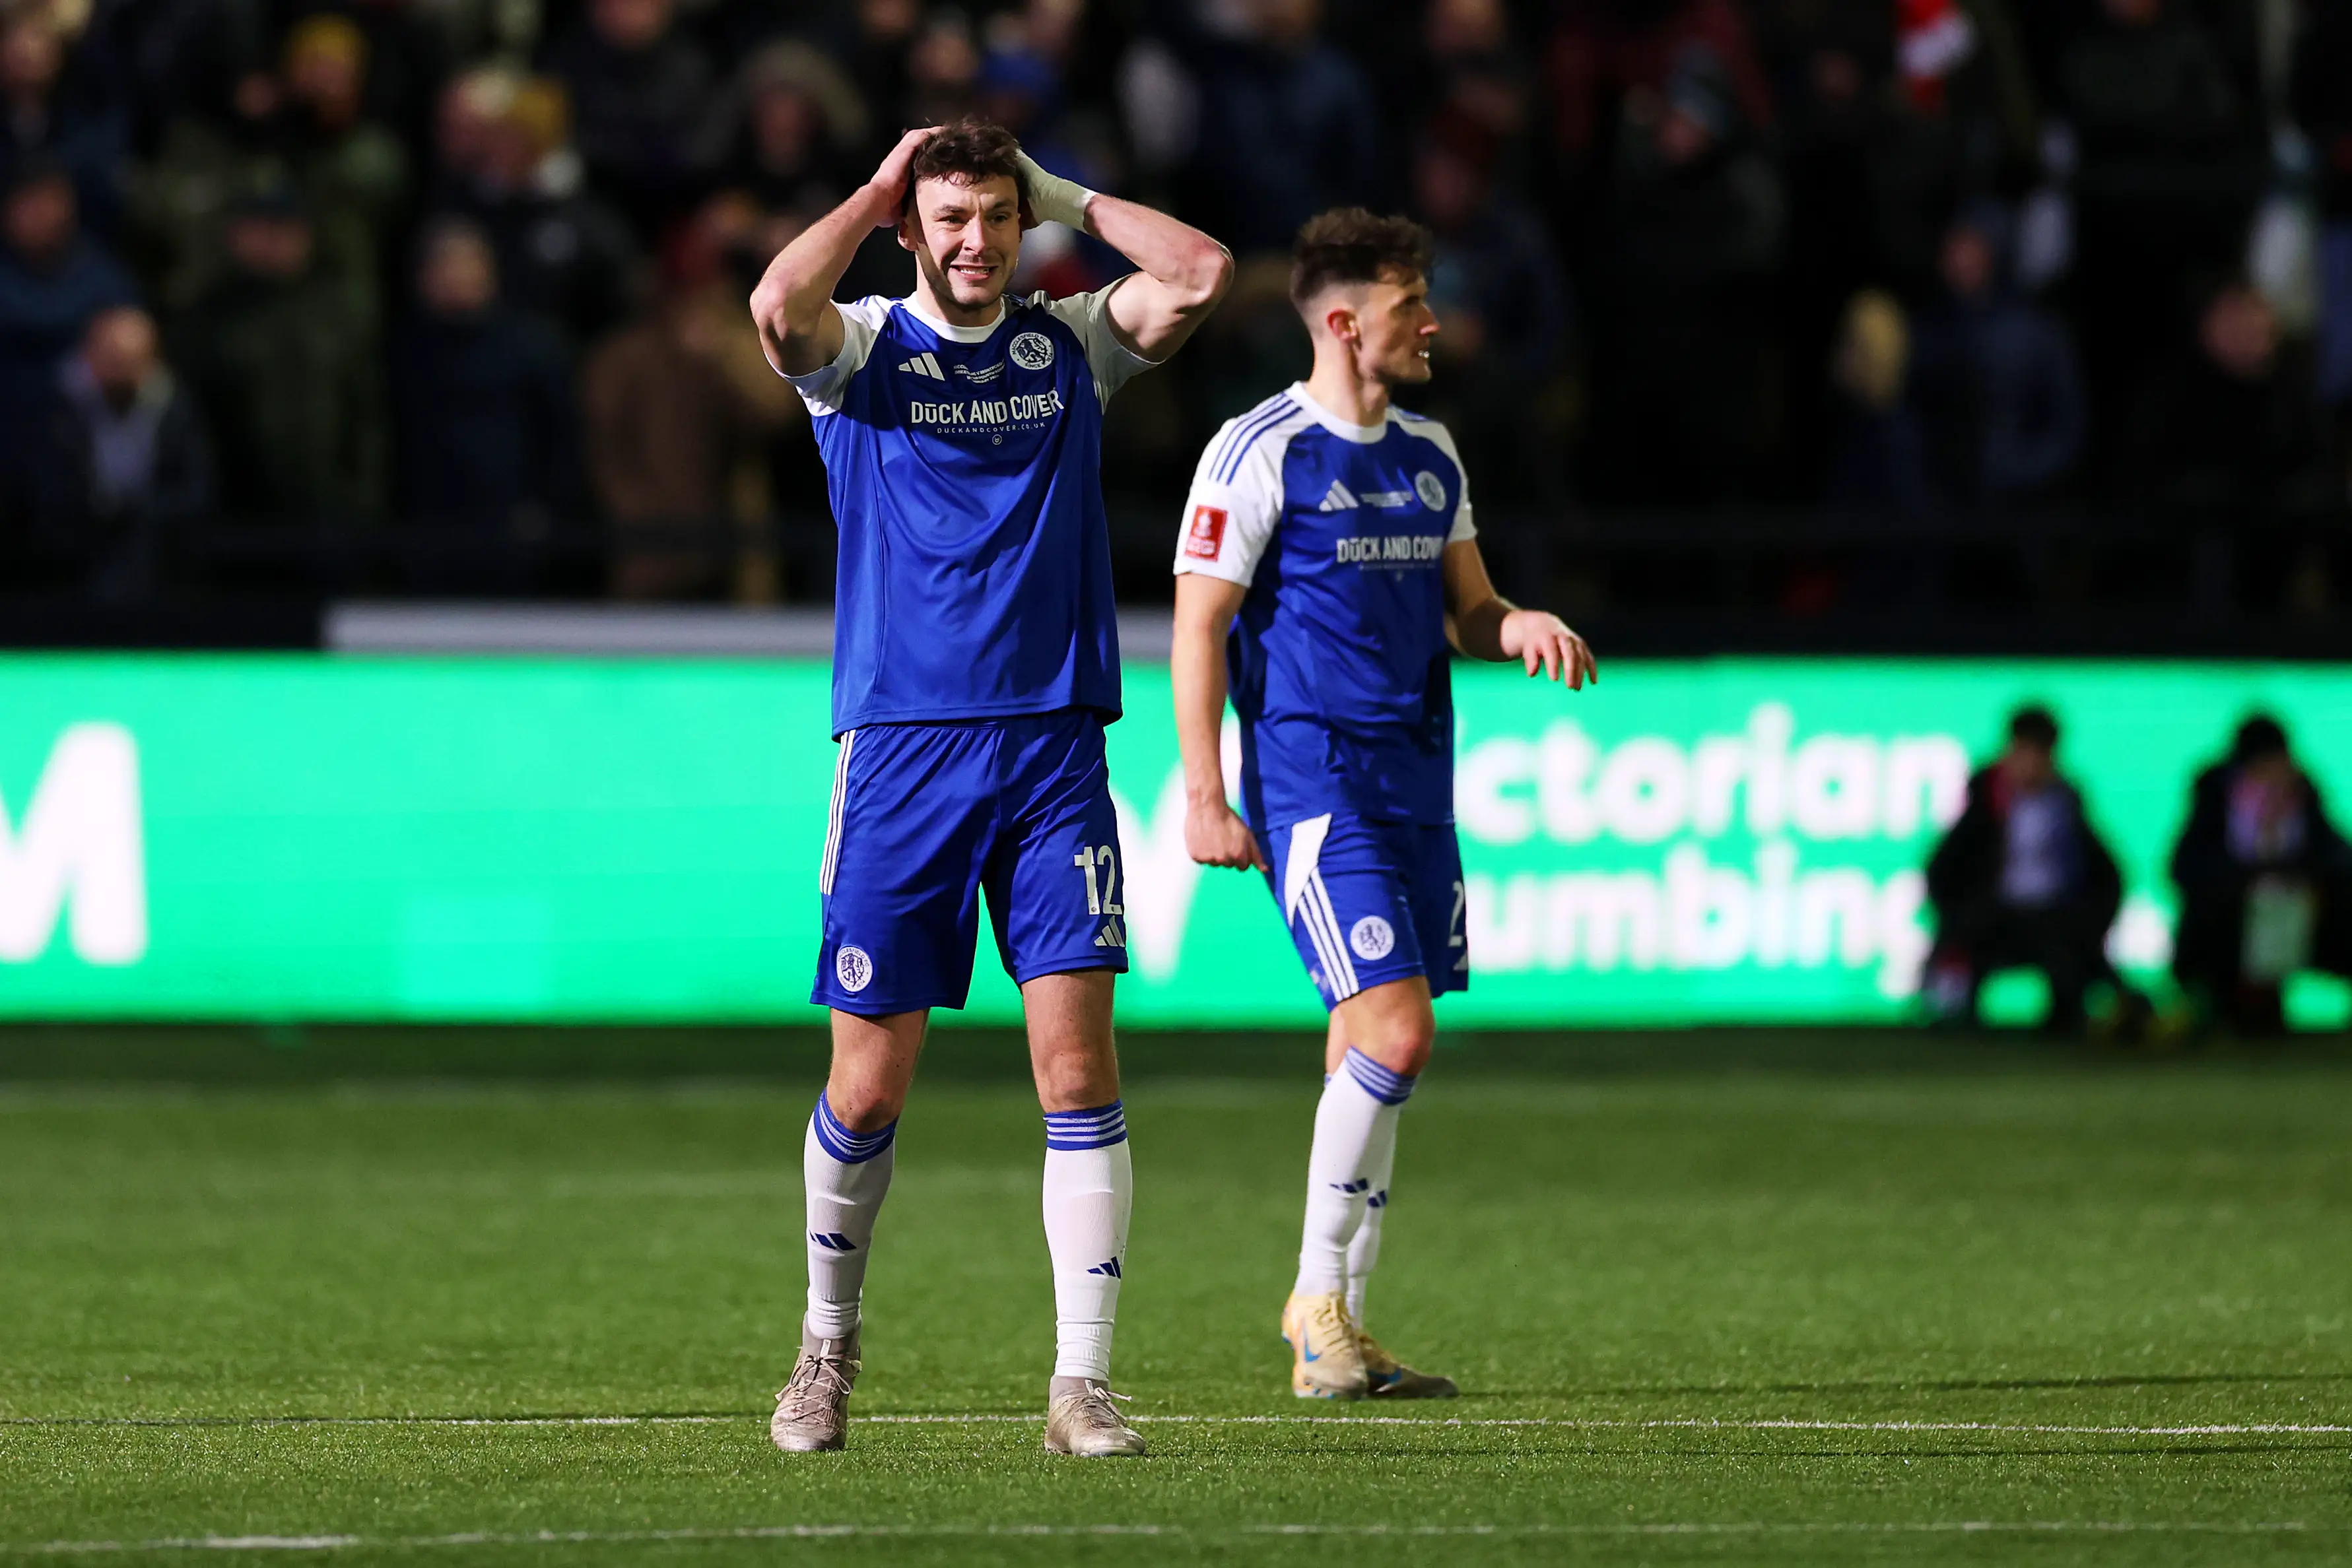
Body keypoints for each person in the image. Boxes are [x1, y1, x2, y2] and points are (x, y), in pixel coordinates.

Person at [747, 118, 1231, 1456]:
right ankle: (825, 1349)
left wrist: (1063, 192)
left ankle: (1081, 1385)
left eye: (997, 218)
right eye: (950, 219)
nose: (976, 243)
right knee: (867, 1087)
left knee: (1076, 1069)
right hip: (901, 754)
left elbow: (1197, 272)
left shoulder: (1067, 345)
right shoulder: (860, 353)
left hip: (1053, 754)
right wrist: (872, 190)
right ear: (912, 229)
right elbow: (774, 304)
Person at [1168, 207, 1596, 1402]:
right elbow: (1198, 625)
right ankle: (1314, 1302)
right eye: (1412, 305)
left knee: (1367, 1044)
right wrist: (1204, 793)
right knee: (1398, 1033)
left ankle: (1341, 1331)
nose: (1433, 324)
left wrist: (1516, 623)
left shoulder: (1429, 452)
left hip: (1415, 782)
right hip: (1313, 783)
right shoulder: (1257, 450)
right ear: (1346, 324)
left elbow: (1469, 609)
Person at [1922, 705, 2139, 1033]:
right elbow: (1942, 870)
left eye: (2041, 754)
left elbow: (2107, 874)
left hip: (2054, 918)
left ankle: (2072, 1022)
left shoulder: (2067, 804)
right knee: (1962, 948)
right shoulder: (1985, 803)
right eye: (2025, 751)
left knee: (2071, 954)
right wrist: (1957, 914)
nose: (2032, 763)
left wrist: (2095, 920)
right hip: (1992, 917)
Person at [2169, 716, 2352, 1035]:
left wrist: (2301, 883)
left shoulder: (2304, 796)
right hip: (2232, 924)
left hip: (2305, 915)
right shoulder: (2215, 800)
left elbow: (2335, 857)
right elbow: (2187, 867)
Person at [30, 305, 212, 598]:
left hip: (154, 540)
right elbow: (41, 490)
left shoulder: (174, 407)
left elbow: (195, 488)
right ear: (89, 354)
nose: (121, 371)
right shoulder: (54, 405)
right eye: (112, 358)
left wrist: (141, 511)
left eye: (131, 361)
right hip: (70, 548)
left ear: (151, 361)